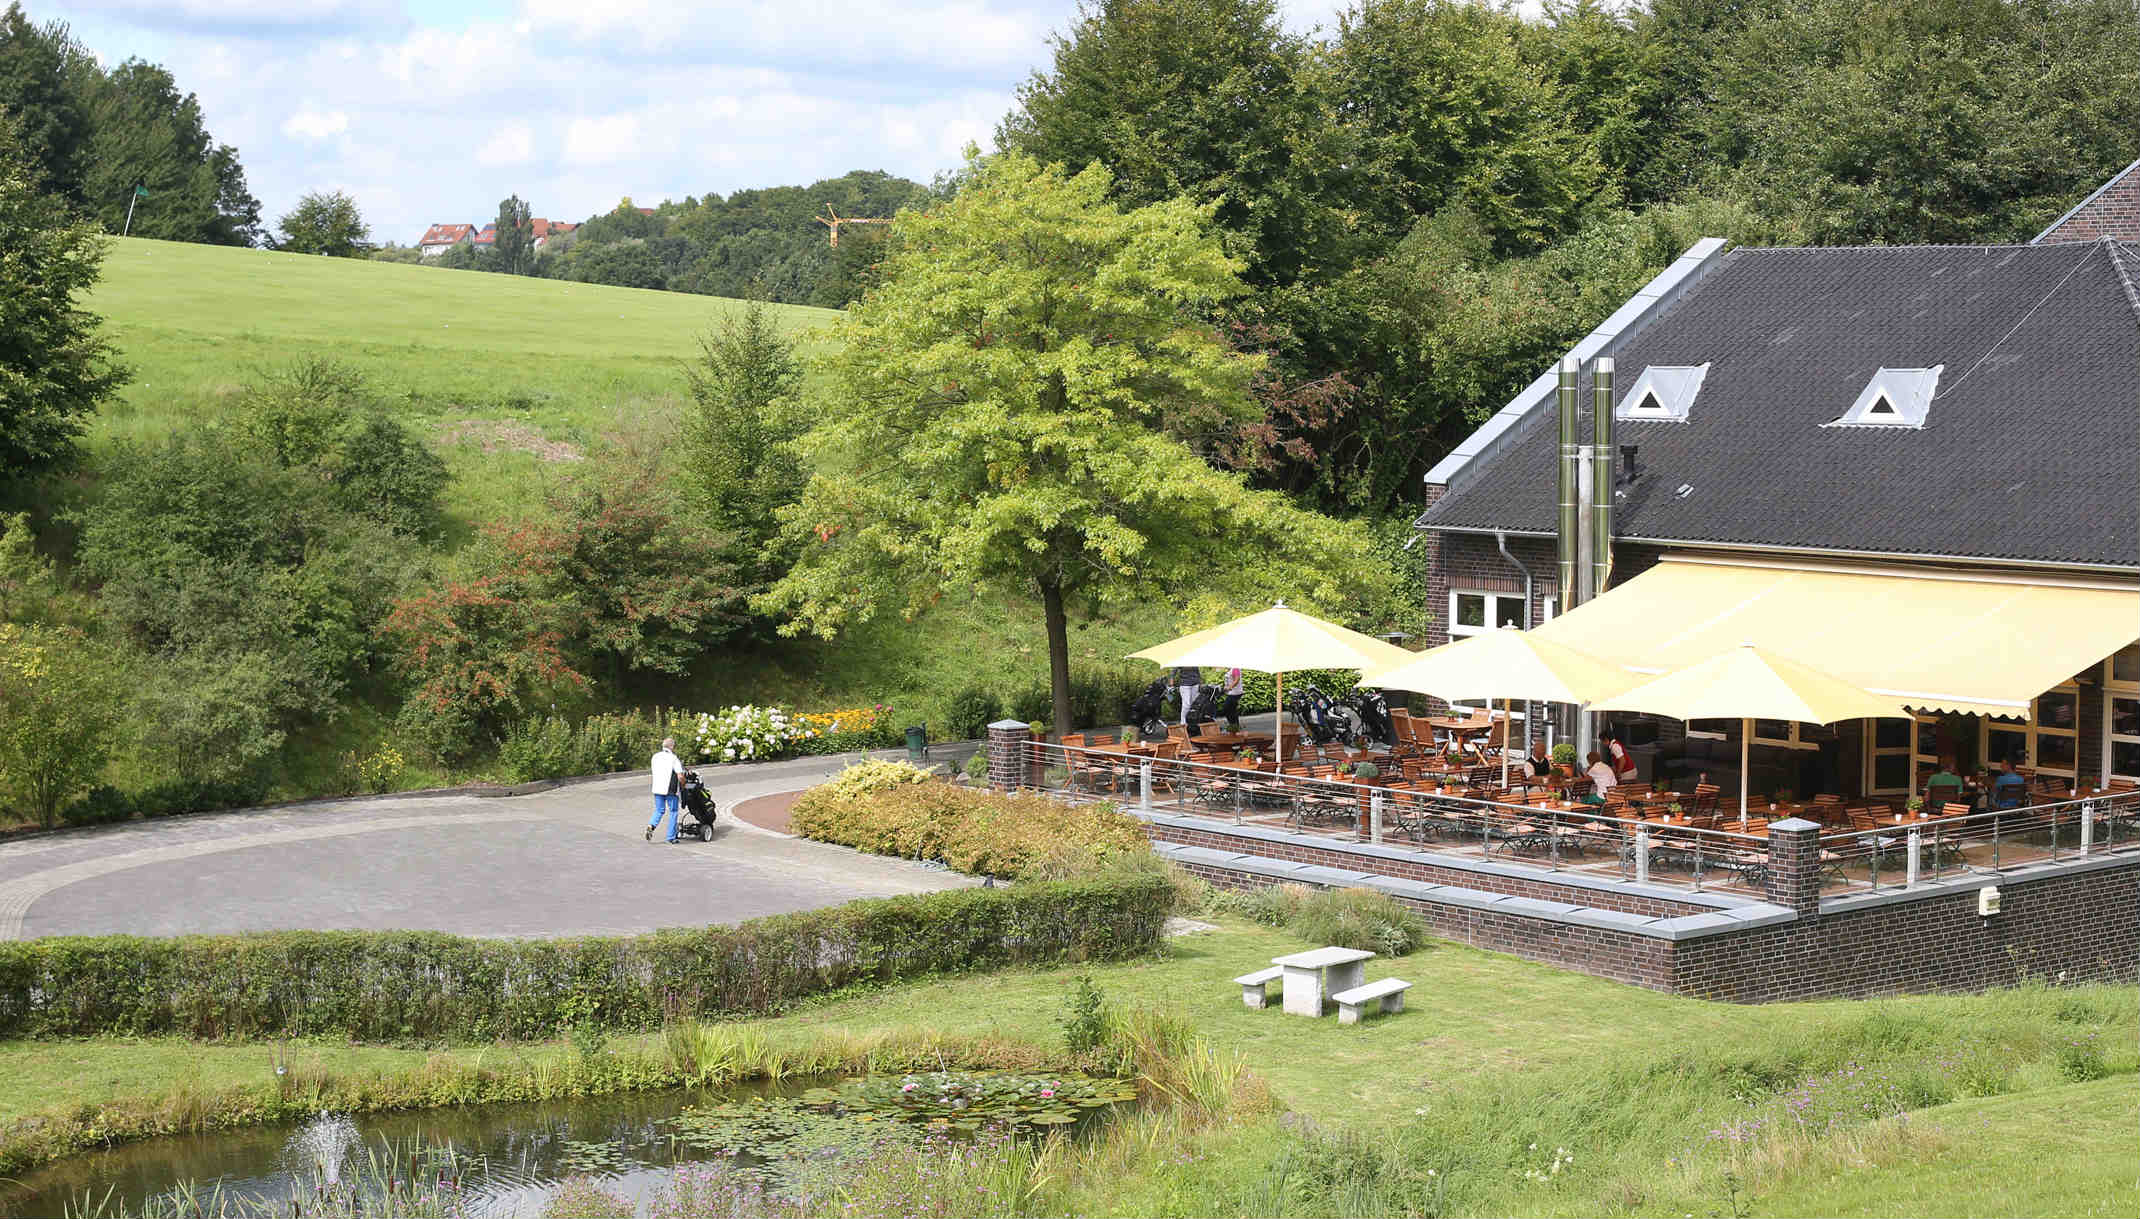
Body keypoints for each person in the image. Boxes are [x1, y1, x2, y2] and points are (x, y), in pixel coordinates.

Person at [647, 736, 686, 843]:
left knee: (659, 810)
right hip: (670, 789)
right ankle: (671, 837)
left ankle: (652, 825)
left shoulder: (655, 756)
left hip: (657, 787)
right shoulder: (673, 758)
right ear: (672, 746)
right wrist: (684, 784)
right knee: (673, 811)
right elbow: (680, 776)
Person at [1219, 667, 1244, 732]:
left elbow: (1237, 679)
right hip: (1232, 693)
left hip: (1235, 693)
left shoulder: (1235, 668)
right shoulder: (1230, 669)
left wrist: (1230, 687)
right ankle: (1235, 728)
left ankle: (1234, 727)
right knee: (1232, 711)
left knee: (1226, 709)